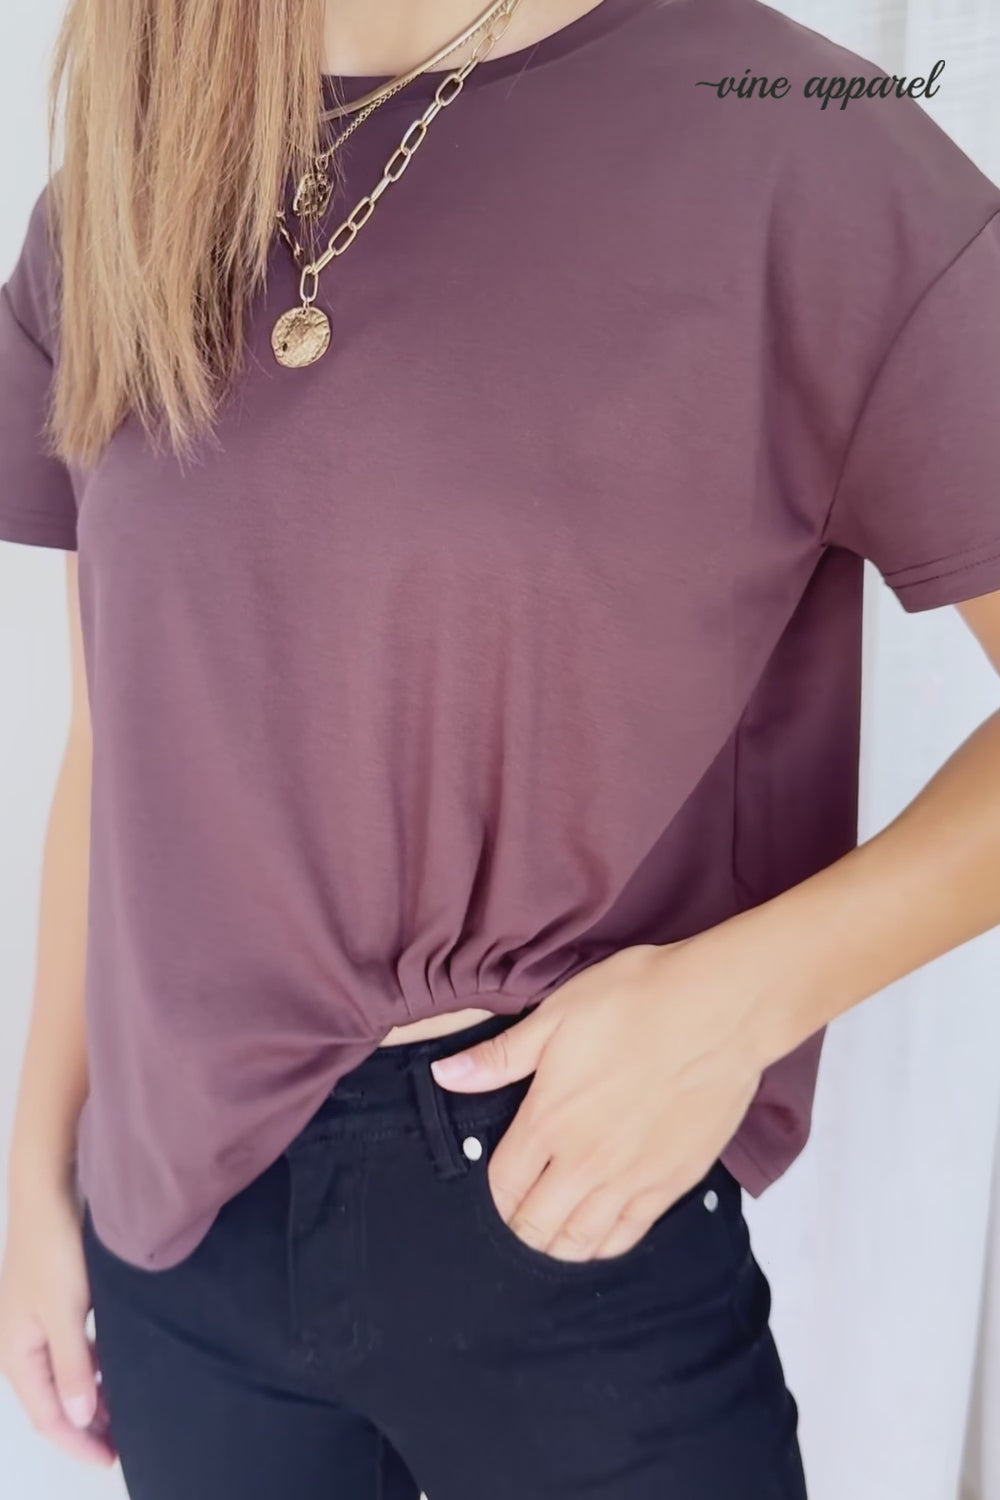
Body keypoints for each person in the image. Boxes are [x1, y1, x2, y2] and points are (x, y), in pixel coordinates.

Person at [1, 0, 1000, 1494]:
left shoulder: (798, 144)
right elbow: (120, 739)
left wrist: (733, 1001)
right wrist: (38, 1157)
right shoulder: (135, 180)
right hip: (176, 1242)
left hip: (562, 1208)